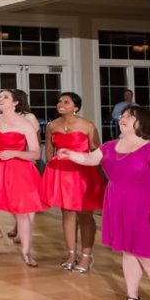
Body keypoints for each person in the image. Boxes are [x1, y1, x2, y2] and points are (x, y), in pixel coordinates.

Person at [57, 105, 150, 300]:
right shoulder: (111, 146)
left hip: (148, 206)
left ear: (142, 122)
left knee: (149, 257)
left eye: (129, 117)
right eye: (122, 116)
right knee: (128, 253)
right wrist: (70, 154)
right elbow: (90, 160)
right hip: (120, 205)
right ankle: (132, 297)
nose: (123, 119)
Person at [0, 87, 44, 266]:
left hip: (18, 170)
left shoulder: (25, 124)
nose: (0, 99)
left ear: (15, 103)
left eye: (5, 97)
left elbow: (35, 153)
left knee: (20, 211)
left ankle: (26, 252)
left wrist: (14, 153)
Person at [41, 91, 104, 273]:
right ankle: (71, 253)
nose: (61, 104)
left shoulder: (87, 125)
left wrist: (98, 179)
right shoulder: (52, 125)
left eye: (66, 102)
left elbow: (96, 152)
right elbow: (49, 151)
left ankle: (86, 256)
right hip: (61, 173)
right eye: (59, 101)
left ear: (76, 107)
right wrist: (51, 169)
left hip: (83, 173)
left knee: (85, 215)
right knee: (67, 213)